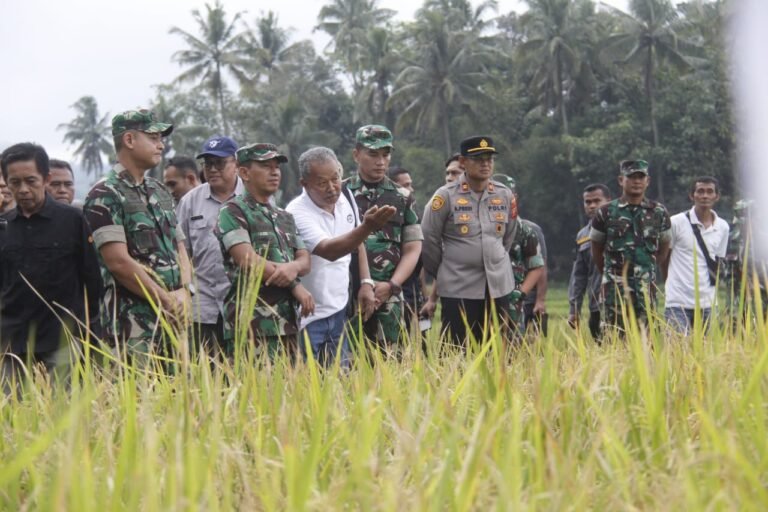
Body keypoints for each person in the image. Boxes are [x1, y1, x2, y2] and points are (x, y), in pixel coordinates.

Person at [83, 109, 193, 361]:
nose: (161, 145)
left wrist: (185, 292)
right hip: (133, 326)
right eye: (153, 137)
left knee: (183, 396)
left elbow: (180, 248)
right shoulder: (105, 194)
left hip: (176, 318)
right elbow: (118, 263)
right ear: (130, 140)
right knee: (142, 397)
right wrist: (166, 300)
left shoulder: (159, 191)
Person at [0, 143, 102, 389]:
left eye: (30, 181)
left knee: (62, 414)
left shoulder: (73, 220)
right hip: (12, 341)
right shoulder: (3, 226)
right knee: (12, 414)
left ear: (46, 179)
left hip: (62, 339)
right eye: (15, 182)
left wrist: (90, 332)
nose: (23, 189)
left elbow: (92, 279)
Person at [287, 147, 395, 366]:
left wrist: (366, 283)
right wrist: (367, 227)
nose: (332, 188)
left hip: (339, 310)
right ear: (304, 184)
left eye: (335, 178)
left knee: (340, 381)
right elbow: (330, 251)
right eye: (321, 183)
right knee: (307, 384)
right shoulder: (296, 212)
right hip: (309, 317)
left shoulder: (345, 196)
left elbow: (357, 242)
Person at [217, 143, 314, 358]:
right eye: (266, 166)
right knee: (254, 390)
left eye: (277, 167)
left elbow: (305, 260)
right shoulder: (233, 211)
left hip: (287, 323)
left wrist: (293, 267)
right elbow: (248, 260)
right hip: (251, 324)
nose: (274, 172)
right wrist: (295, 285)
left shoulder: (284, 216)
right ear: (244, 172)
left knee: (291, 390)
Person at [421, 136, 518, 345]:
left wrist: (494, 258)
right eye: (478, 158)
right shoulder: (445, 196)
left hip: (497, 286)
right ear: (463, 162)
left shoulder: (504, 194)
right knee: (457, 350)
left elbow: (508, 236)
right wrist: (446, 269)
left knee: (497, 351)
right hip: (459, 287)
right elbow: (428, 239)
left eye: (489, 158)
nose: (485, 163)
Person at [346, 125, 423, 350]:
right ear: (356, 154)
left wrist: (392, 284)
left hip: (388, 295)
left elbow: (412, 249)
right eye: (373, 154)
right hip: (350, 293)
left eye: (385, 154)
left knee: (392, 364)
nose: (381, 161)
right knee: (347, 365)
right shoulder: (342, 193)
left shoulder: (403, 197)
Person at [176, 136, 243, 354]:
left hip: (244, 305)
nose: (212, 169)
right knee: (204, 375)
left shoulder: (252, 197)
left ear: (237, 164)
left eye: (219, 163)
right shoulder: (190, 201)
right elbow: (181, 251)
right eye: (207, 164)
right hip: (203, 306)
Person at [591, 159, 671, 334]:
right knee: (613, 337)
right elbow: (596, 249)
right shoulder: (605, 212)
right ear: (621, 180)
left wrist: (649, 267)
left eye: (640, 177)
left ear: (647, 181)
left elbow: (664, 247)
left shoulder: (658, 212)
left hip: (645, 287)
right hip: (614, 288)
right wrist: (609, 272)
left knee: (646, 338)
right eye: (631, 177)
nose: (636, 181)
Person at [661, 177, 729, 334]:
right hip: (677, 302)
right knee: (677, 353)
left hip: (708, 303)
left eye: (710, 191)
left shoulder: (723, 227)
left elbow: (718, 262)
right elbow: (664, 259)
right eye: (700, 191)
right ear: (692, 195)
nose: (705, 195)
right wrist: (670, 284)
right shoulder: (676, 222)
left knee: (710, 353)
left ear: (716, 196)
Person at [491, 174, 545, 336]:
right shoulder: (476, 227)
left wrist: (520, 293)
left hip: (511, 301)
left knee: (513, 348)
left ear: (514, 197)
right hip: (480, 297)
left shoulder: (523, 230)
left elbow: (536, 265)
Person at [420, 153, 465, 320]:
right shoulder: (440, 203)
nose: (449, 178)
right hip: (454, 288)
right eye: (447, 173)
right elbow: (431, 245)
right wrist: (433, 297)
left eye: (455, 173)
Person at [389, 166, 430, 334]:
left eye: (411, 185)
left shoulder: (413, 219)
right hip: (395, 292)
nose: (411, 190)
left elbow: (419, 260)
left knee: (423, 340)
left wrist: (425, 294)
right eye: (406, 185)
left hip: (415, 292)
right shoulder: (384, 224)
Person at [568, 183, 611, 339]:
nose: (592, 206)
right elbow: (579, 276)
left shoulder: (621, 227)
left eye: (597, 201)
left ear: (608, 201)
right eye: (588, 202)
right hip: (597, 307)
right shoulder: (583, 235)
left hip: (625, 304)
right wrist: (574, 309)